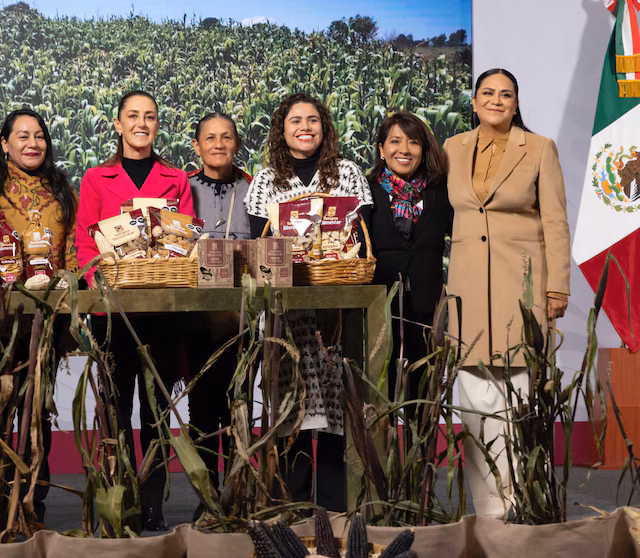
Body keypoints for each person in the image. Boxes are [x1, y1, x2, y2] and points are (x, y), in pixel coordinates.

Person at [443, 68, 570, 518]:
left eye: (507, 94)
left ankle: (524, 510)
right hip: (468, 292)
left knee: (520, 402)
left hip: (522, 289)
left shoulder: (539, 149)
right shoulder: (452, 148)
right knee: (475, 406)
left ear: (517, 104)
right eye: (488, 93)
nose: (496, 100)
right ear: (474, 101)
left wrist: (557, 286)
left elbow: (555, 221)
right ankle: (491, 516)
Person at [243, 92, 372, 511]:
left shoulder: (347, 174)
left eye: (313, 120)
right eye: (295, 120)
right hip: (287, 316)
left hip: (336, 310)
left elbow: (361, 235)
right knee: (290, 411)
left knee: (337, 409)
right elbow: (259, 247)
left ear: (325, 127)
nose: (305, 127)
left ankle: (336, 509)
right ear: (281, 130)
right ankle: (294, 507)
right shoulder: (266, 181)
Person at [75, 90, 194, 531]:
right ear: (117, 123)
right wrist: (98, 280)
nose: (141, 123)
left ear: (157, 125)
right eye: (132, 116)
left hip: (162, 310)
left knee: (157, 413)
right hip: (112, 313)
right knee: (116, 409)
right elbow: (85, 242)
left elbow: (185, 239)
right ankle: (120, 498)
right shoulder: (95, 179)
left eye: (150, 116)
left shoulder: (175, 179)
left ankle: (153, 502)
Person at [0, 107, 78, 526]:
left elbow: (69, 251)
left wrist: (70, 300)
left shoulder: (61, 189)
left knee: (37, 410)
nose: (33, 143)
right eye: (22, 136)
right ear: (4, 143)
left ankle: (34, 498)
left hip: (45, 317)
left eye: (39, 136)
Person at [361, 111, 453, 417]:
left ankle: (421, 464)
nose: (404, 149)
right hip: (380, 305)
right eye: (395, 141)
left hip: (427, 305)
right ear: (381, 149)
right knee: (378, 392)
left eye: (413, 142)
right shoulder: (368, 190)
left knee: (424, 393)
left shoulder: (440, 191)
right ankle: (382, 464)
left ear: (424, 150)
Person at [185, 113, 251, 520]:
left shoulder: (252, 187)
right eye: (210, 138)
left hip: (244, 316)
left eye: (226, 137)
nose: (218, 144)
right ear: (197, 145)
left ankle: (239, 492)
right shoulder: (184, 187)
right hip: (196, 317)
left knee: (238, 404)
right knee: (202, 409)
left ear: (237, 143)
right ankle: (207, 498)